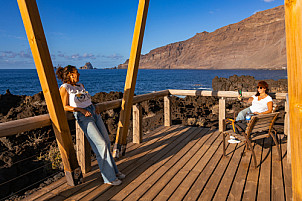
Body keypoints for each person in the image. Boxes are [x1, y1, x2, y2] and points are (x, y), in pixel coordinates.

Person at [56, 65, 125, 186]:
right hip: (83, 116)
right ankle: (109, 178)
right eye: (77, 72)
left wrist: (94, 105)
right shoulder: (64, 88)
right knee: (101, 145)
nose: (79, 74)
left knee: (107, 142)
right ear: (71, 74)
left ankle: (114, 171)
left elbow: (85, 99)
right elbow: (63, 106)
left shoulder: (80, 86)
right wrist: (79, 110)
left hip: (93, 112)